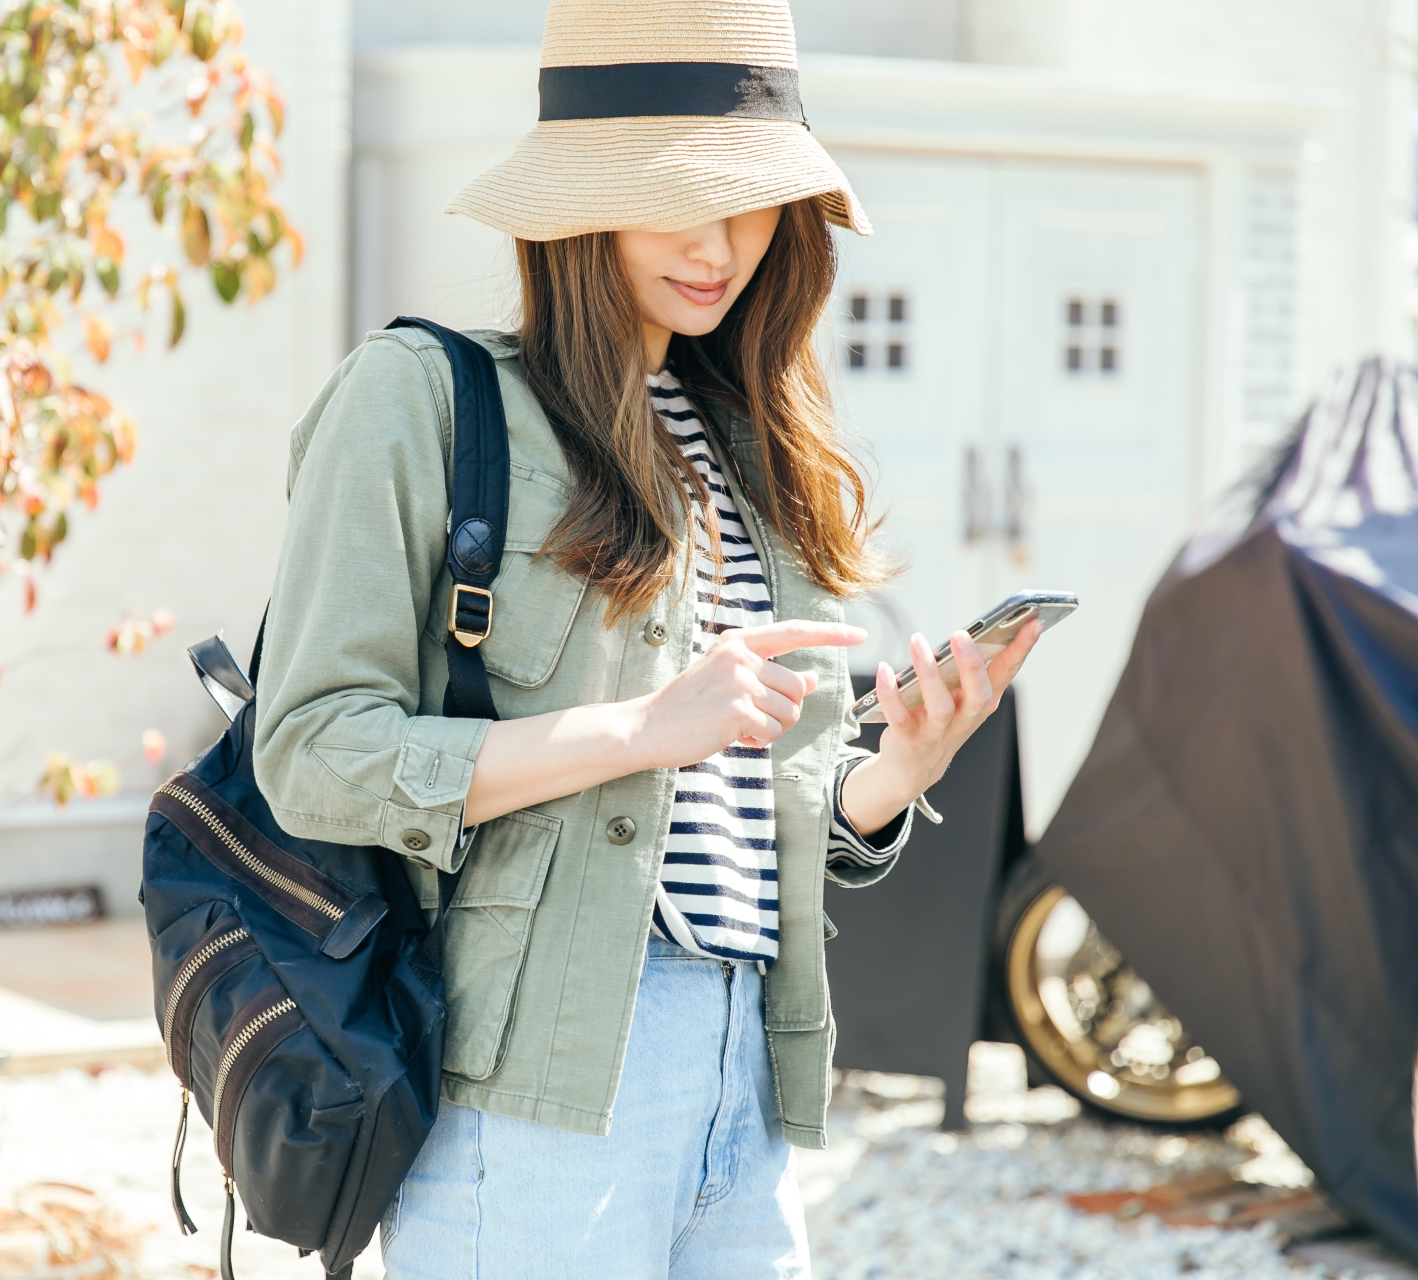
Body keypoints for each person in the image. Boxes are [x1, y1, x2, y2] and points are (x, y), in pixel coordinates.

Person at [252, 0, 1041, 1274]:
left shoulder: (743, 436)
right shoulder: (421, 400)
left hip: (752, 1068)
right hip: (542, 1083)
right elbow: (313, 750)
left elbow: (763, 801)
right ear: (581, 200)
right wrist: (638, 729)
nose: (720, 242)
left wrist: (897, 771)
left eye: (751, 201)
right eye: (677, 193)